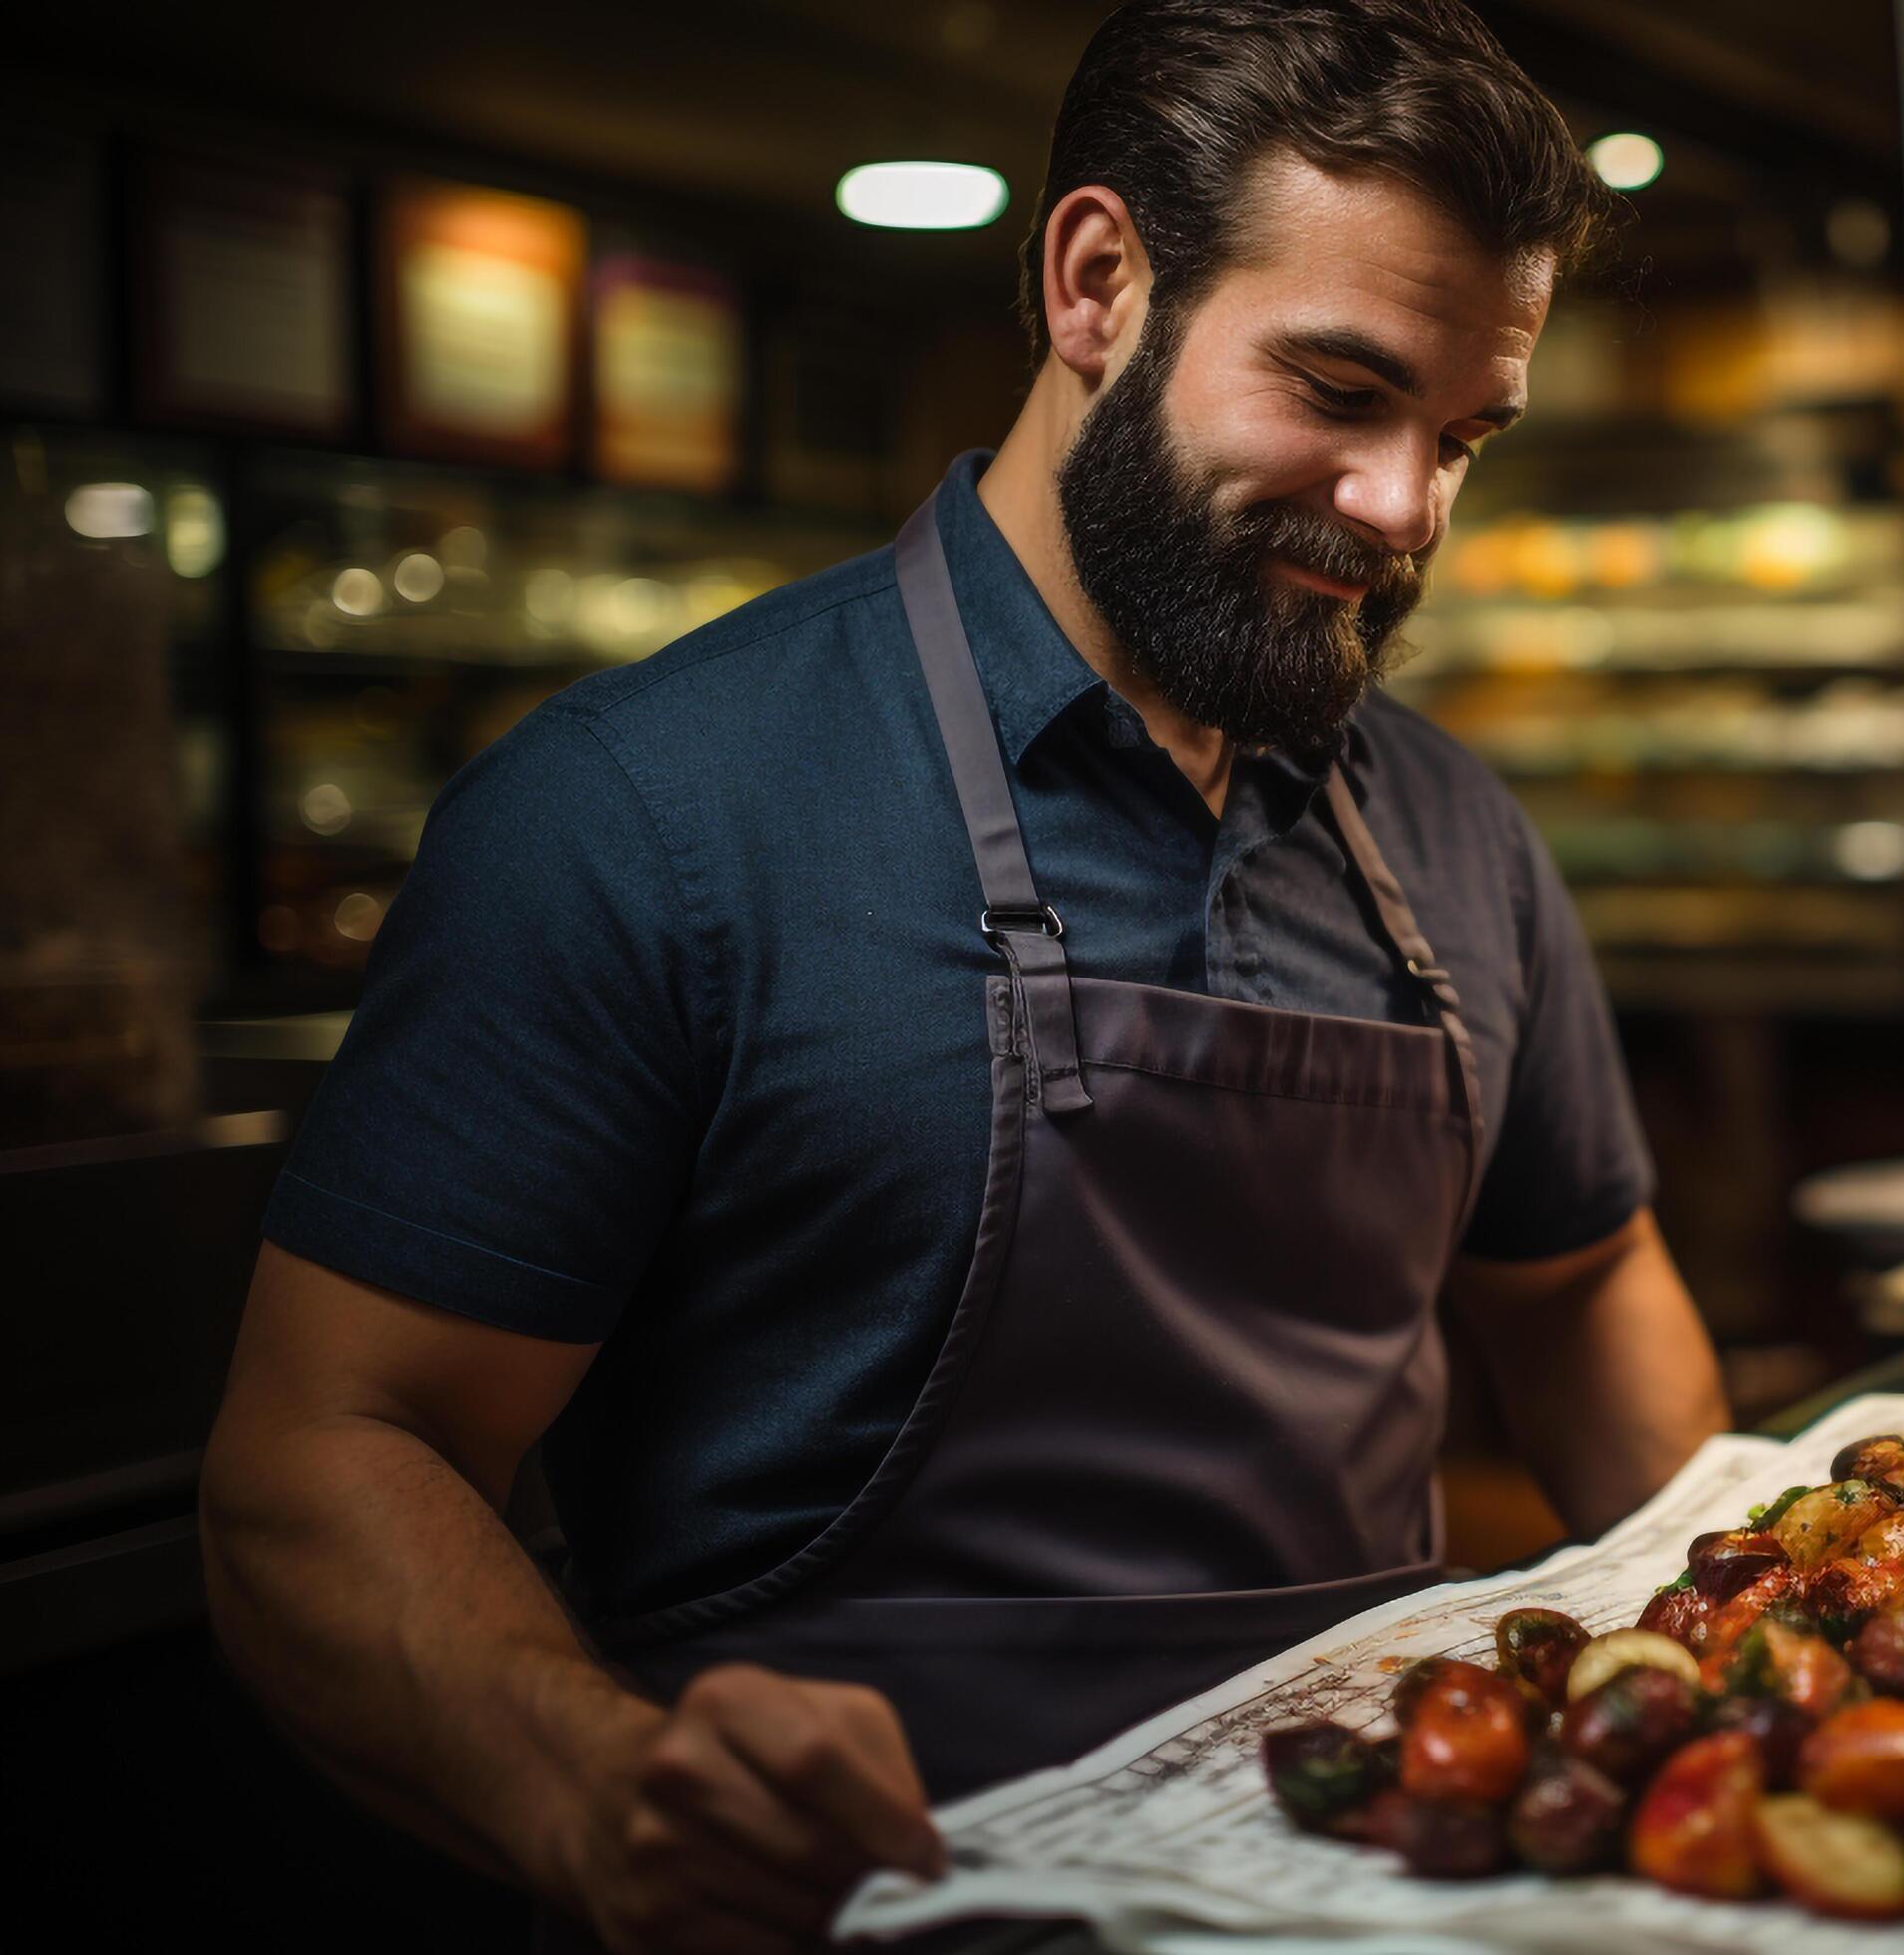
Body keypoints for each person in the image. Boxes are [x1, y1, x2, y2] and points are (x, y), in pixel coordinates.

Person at [197, 5, 1728, 1947]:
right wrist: (590, 1783)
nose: (1404, 506)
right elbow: (328, 1449)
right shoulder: (646, 812)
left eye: (1459, 437)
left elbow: (1581, 1274)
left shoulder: (1454, 836)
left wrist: (1735, 1672)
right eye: (1338, 390)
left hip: (1371, 1889)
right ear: (1097, 282)